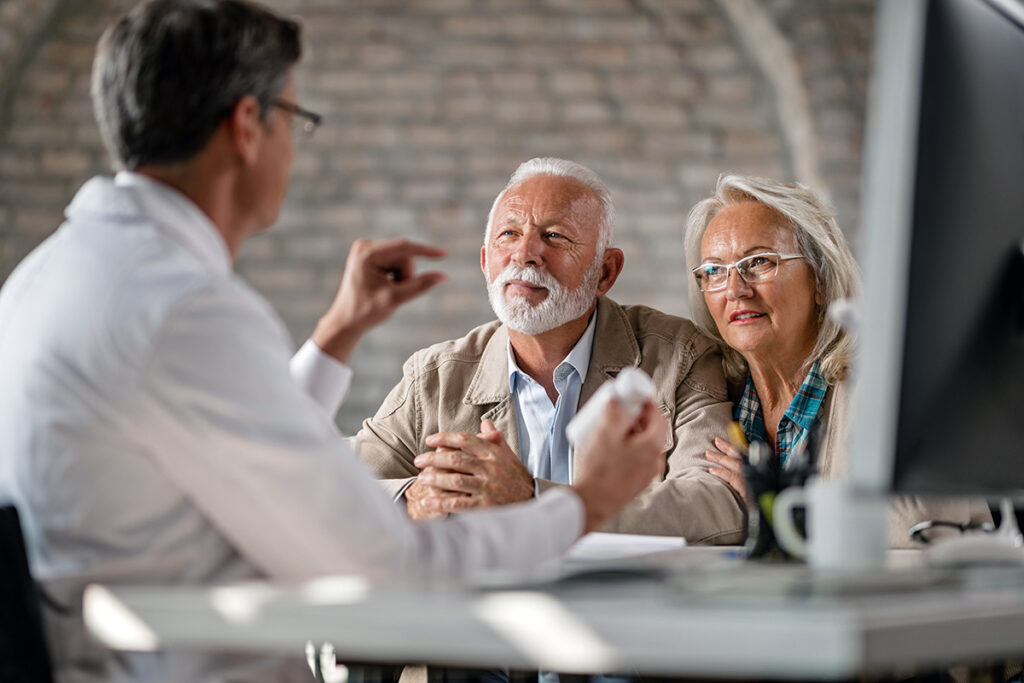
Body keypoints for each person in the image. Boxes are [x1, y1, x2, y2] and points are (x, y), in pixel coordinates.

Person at [0, 2, 669, 681]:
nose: (295, 144)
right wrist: (583, 502)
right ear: (248, 127)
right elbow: (388, 568)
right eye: (295, 119)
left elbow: (223, 445)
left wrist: (335, 335)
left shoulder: (44, 279)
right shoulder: (187, 311)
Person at [356, 157, 746, 544]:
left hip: (630, 602)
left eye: (555, 236)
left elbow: (718, 504)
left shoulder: (681, 355)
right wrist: (415, 498)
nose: (525, 253)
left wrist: (534, 498)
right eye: (508, 234)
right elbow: (337, 484)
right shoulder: (435, 377)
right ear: (485, 263)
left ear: (605, 272)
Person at [682, 173, 991, 547]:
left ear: (821, 281)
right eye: (714, 271)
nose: (735, 289)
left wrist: (774, 508)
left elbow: (920, 519)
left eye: (759, 262)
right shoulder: (718, 399)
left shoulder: (886, 381)